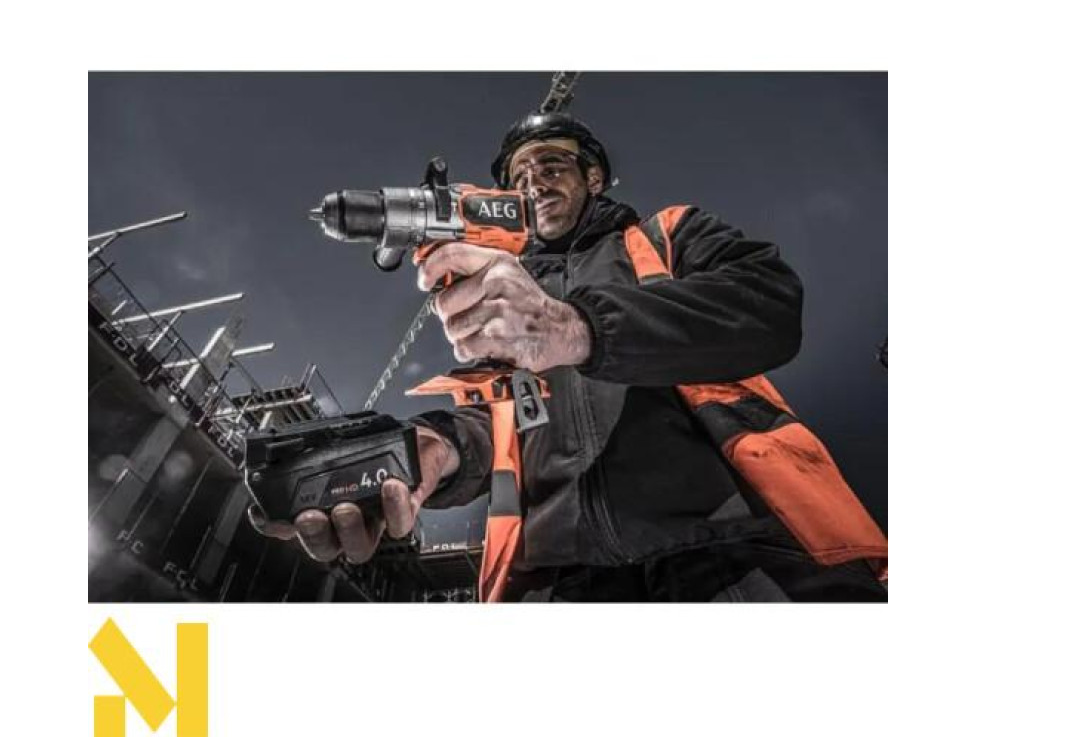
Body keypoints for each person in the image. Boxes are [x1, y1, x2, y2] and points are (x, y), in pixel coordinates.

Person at [250, 112, 887, 602]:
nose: (534, 180)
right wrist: (431, 453)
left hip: (732, 560)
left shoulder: (665, 237)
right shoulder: (502, 293)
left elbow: (769, 303)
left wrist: (575, 327)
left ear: (594, 178)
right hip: (557, 584)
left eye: (552, 164)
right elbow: (494, 418)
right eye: (519, 174)